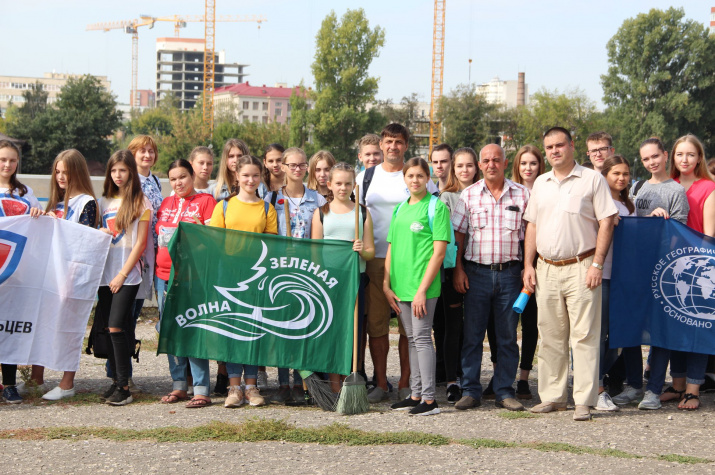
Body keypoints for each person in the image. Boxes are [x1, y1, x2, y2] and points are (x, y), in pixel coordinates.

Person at [523, 127, 617, 421]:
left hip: (582, 266)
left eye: (559, 145)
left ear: (572, 146)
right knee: (550, 335)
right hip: (546, 268)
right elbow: (532, 225)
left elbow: (606, 221)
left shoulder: (592, 179)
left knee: (584, 336)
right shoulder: (541, 183)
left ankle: (584, 401)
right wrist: (528, 265)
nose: (554, 151)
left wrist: (597, 264)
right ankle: (553, 397)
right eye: (549, 147)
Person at [356, 123, 439, 403]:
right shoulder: (366, 177)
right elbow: (354, 215)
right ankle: (381, 383)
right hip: (375, 259)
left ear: (406, 145)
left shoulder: (416, 176)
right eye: (389, 141)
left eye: (399, 142)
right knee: (377, 326)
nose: (393, 146)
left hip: (413, 263)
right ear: (381, 144)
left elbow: (433, 218)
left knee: (409, 329)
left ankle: (407, 383)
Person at [451, 144, 530, 412]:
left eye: (496, 160)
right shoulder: (468, 195)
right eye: (486, 160)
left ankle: (504, 391)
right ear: (480, 165)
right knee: (472, 336)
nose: (491, 164)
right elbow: (459, 235)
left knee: (507, 337)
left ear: (505, 163)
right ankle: (470, 390)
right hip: (476, 274)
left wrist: (527, 267)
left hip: (510, 275)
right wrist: (458, 269)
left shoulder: (522, 194)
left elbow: (530, 234)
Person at [611, 137, 689, 407]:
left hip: (663, 270)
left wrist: (661, 224)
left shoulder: (676, 191)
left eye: (655, 156)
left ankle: (654, 389)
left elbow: (680, 234)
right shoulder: (636, 188)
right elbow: (631, 224)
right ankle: (634, 385)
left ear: (665, 156)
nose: (651, 162)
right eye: (645, 159)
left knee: (660, 330)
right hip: (635, 268)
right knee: (632, 327)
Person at [641, 134, 715, 411]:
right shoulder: (666, 184)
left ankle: (693, 389)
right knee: (674, 328)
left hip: (697, 265)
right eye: (680, 154)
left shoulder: (708, 187)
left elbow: (708, 235)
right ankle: (678, 384)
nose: (685, 159)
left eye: (691, 154)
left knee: (696, 327)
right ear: (672, 157)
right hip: (667, 266)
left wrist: (699, 267)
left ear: (699, 158)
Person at [31, 149, 100, 401]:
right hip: (50, 273)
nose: (60, 176)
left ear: (77, 172)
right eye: (57, 171)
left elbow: (83, 241)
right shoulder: (56, 201)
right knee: (42, 325)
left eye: (66, 172)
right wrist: (41, 218)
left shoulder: (87, 202)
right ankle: (36, 378)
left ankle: (67, 382)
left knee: (69, 328)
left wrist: (57, 224)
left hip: (73, 276)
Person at [385, 158, 450, 416]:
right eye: (410, 175)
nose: (415, 180)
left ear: (427, 178)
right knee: (412, 339)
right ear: (404, 178)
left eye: (420, 176)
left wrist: (422, 290)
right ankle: (415, 394)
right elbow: (391, 247)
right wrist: (386, 283)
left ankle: (430, 400)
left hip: (423, 287)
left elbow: (439, 253)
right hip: (401, 286)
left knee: (422, 338)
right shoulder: (400, 208)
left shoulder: (436, 207)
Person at [211, 155, 277, 408]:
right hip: (229, 277)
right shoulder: (223, 207)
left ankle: (251, 387)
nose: (251, 180)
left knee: (253, 330)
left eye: (255, 175)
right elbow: (215, 242)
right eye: (246, 175)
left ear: (261, 177)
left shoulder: (267, 209)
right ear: (237, 176)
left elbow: (271, 246)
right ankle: (234, 387)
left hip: (256, 278)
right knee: (231, 330)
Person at [264, 147, 326, 403]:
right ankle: (283, 383)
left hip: (308, 270)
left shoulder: (317, 200)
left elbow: (324, 234)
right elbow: (265, 233)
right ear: (283, 167)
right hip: (281, 268)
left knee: (305, 325)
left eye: (302, 165)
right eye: (292, 165)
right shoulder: (272, 198)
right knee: (281, 325)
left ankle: (302, 382)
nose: (297, 169)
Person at [156, 159, 217, 408]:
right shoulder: (166, 204)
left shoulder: (206, 202)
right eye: (173, 179)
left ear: (192, 176)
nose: (178, 182)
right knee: (170, 330)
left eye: (182, 177)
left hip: (192, 277)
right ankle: (179, 385)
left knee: (193, 328)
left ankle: (201, 389)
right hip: (163, 276)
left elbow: (212, 240)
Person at [311, 162, 375, 392]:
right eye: (338, 183)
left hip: (354, 280)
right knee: (332, 330)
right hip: (328, 281)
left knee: (353, 330)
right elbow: (315, 253)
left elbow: (371, 252)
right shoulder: (321, 213)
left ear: (354, 185)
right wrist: (320, 281)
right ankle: (334, 383)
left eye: (348, 183)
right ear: (329, 184)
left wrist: (362, 249)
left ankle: (350, 378)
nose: (343, 187)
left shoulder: (362, 212)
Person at [97, 150, 151, 406]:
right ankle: (116, 381)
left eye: (123, 170)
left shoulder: (142, 201)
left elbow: (140, 244)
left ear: (131, 172)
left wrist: (122, 274)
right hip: (104, 275)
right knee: (109, 328)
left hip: (127, 276)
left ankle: (124, 387)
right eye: (113, 170)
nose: (117, 175)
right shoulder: (103, 201)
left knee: (117, 326)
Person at [435, 147, 479, 403]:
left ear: (476, 168)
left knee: (473, 327)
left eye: (469, 165)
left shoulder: (483, 192)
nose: (464, 170)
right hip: (453, 267)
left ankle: (470, 376)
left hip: (479, 266)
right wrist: (455, 269)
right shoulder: (447, 197)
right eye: (460, 166)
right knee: (452, 327)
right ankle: (452, 380)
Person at [0, 140, 41, 404]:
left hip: (15, 269)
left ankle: (10, 384)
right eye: (3, 159)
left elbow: (40, 226)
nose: (7, 164)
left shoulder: (25, 192)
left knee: (9, 326)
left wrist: (37, 213)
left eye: (12, 160)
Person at [120, 135, 163, 393]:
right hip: (133, 255)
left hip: (151, 256)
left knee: (133, 315)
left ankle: (122, 373)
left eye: (151, 151)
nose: (147, 155)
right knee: (126, 316)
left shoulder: (155, 181)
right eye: (142, 151)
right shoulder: (128, 181)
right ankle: (121, 375)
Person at [594, 155, 636, 412]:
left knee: (618, 338)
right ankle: (596, 386)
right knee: (598, 335)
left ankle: (594, 377)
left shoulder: (630, 205)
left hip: (624, 279)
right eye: (616, 173)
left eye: (625, 174)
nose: (621, 178)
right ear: (605, 175)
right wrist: (606, 223)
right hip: (603, 276)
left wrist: (654, 217)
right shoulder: (598, 202)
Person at [508, 144, 545, 400]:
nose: (528, 168)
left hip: (539, 263)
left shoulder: (546, 190)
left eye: (533, 163)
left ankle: (524, 378)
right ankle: (501, 376)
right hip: (512, 263)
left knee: (531, 324)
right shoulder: (510, 191)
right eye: (523, 163)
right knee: (506, 324)